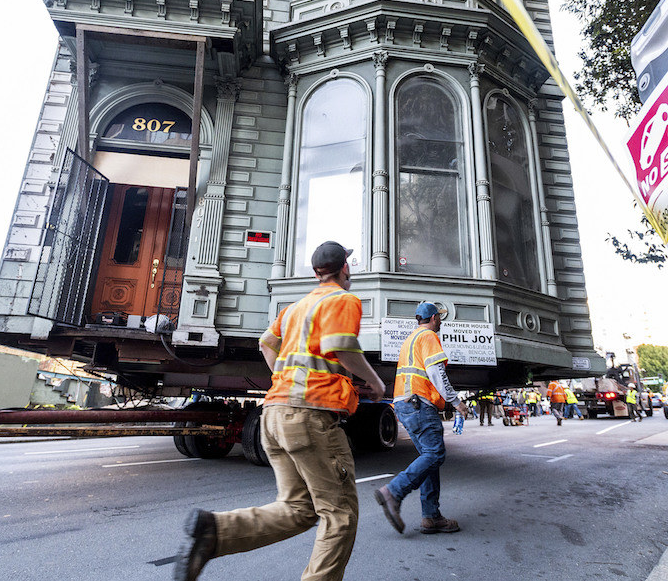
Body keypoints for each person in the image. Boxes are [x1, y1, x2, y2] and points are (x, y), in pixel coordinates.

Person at [174, 241, 386, 581]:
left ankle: (215, 532)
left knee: (298, 509)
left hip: (273, 415)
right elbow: (340, 346)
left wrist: (287, 379)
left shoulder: (296, 307)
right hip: (310, 417)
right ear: (345, 268)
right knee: (340, 515)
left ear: (317, 272)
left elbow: (266, 343)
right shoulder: (343, 299)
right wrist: (375, 381)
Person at [375, 302, 469, 535]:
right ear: (435, 318)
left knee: (430, 458)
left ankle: (431, 516)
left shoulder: (411, 339)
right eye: (440, 319)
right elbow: (437, 372)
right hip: (419, 404)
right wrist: (457, 402)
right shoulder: (428, 337)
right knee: (435, 454)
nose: (440, 323)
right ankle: (393, 492)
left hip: (405, 403)